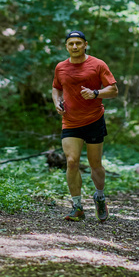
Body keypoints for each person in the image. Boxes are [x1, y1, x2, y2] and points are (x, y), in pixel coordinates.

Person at [51, 29, 118, 222]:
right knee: (72, 161)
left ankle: (99, 197)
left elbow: (113, 90)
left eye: (78, 43)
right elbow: (56, 87)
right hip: (70, 121)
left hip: (94, 120)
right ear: (66, 46)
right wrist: (56, 102)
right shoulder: (61, 67)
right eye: (71, 44)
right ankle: (77, 206)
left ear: (85, 44)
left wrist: (96, 93)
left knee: (95, 164)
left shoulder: (97, 64)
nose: (74, 46)